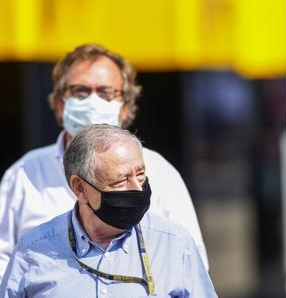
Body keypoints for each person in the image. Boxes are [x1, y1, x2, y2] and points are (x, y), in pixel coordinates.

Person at [0, 44, 208, 279]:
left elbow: (191, 265)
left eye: (106, 92)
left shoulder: (159, 173)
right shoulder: (25, 174)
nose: (92, 101)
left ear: (125, 107)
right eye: (80, 91)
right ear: (60, 103)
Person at [0, 124, 218, 297]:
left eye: (140, 175)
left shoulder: (175, 243)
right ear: (80, 188)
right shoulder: (33, 251)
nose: (136, 188)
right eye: (120, 180)